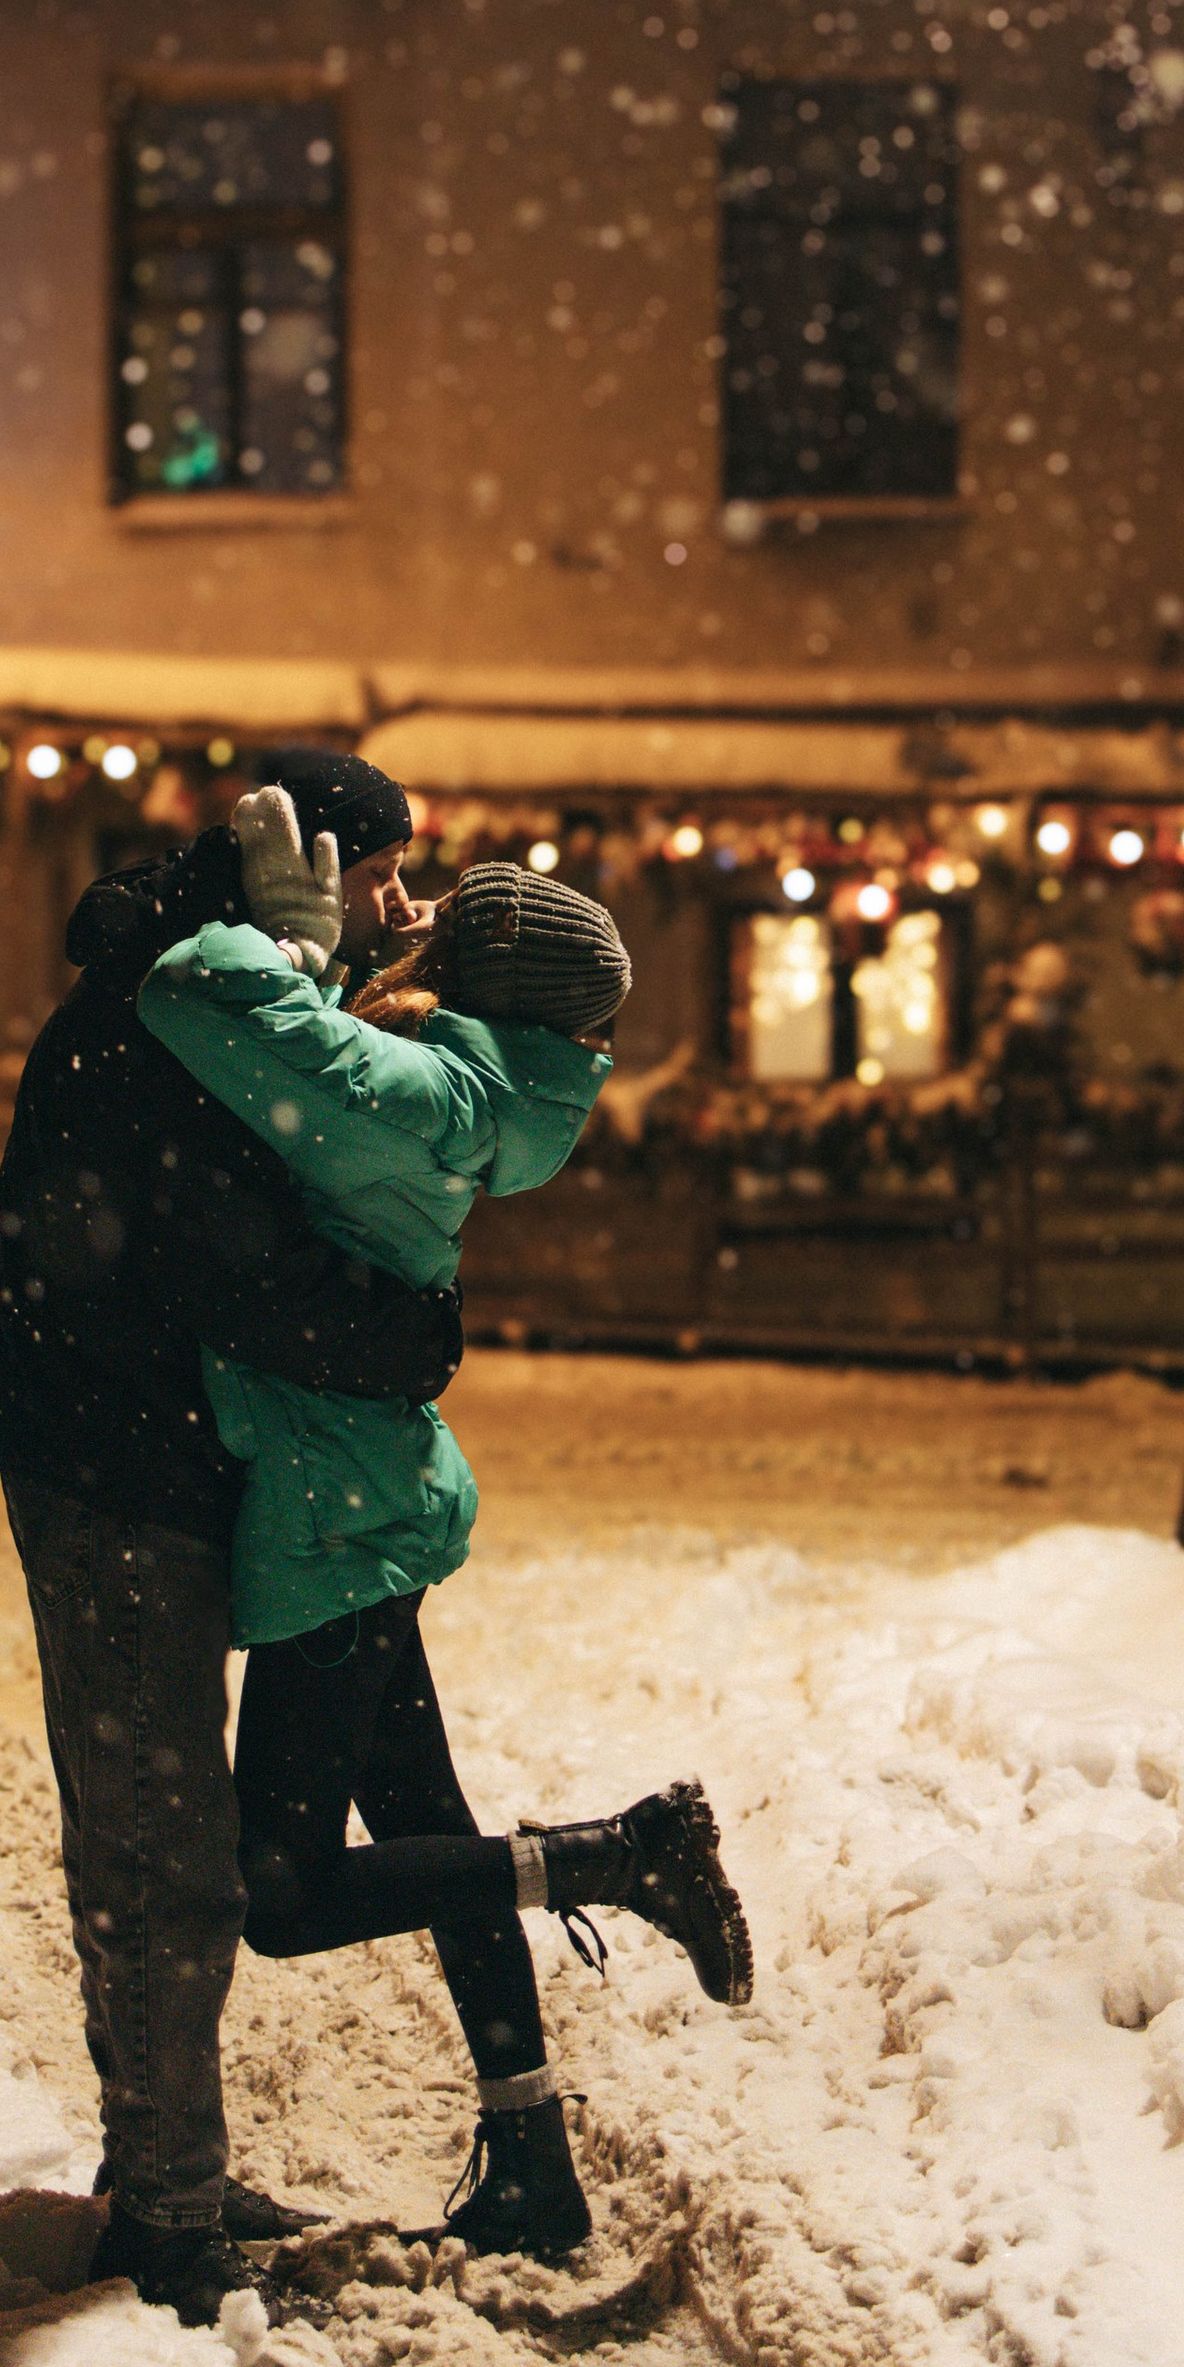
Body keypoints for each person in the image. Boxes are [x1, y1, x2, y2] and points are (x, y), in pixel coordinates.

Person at [136, 798, 753, 2267]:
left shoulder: (421, 1094)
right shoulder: (479, 1079)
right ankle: (534, 2161)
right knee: (426, 1833)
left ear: (483, 984)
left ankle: (616, 1859)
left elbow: (191, 994)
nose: (404, 918)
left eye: (441, 922)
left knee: (279, 1897)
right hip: (362, 1491)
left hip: (329, 1510)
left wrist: (293, 937)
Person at [0, 747, 461, 2327]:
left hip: (148, 1428)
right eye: (379, 870)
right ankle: (167, 2205)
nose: (400, 903)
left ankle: (164, 2160)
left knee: (167, 1814)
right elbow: (230, 1264)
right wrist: (409, 1334)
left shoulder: (227, 989)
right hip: (109, 1445)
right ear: (300, 866)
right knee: (160, 1823)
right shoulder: (186, 1010)